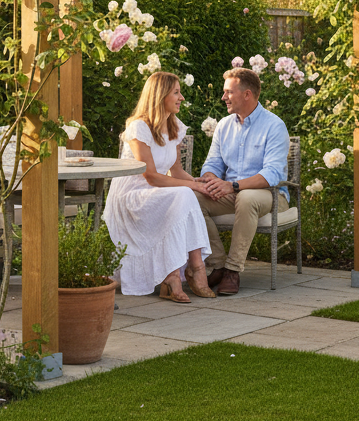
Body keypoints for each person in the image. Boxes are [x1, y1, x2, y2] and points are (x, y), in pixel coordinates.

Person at [104, 71, 216, 302]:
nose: (181, 98)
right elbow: (152, 176)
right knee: (185, 193)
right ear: (160, 95)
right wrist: (192, 187)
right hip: (131, 195)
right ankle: (194, 271)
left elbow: (176, 172)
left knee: (186, 193)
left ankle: (176, 275)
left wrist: (198, 182)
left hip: (155, 191)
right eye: (176, 92)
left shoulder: (173, 126)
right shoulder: (139, 128)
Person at [195, 67, 290, 296]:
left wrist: (233, 185)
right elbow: (212, 164)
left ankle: (232, 270)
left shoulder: (274, 126)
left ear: (247, 94)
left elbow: (272, 174)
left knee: (246, 197)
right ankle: (217, 264)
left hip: (270, 195)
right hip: (233, 193)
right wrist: (210, 180)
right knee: (193, 198)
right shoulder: (224, 126)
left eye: (228, 92)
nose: (223, 97)